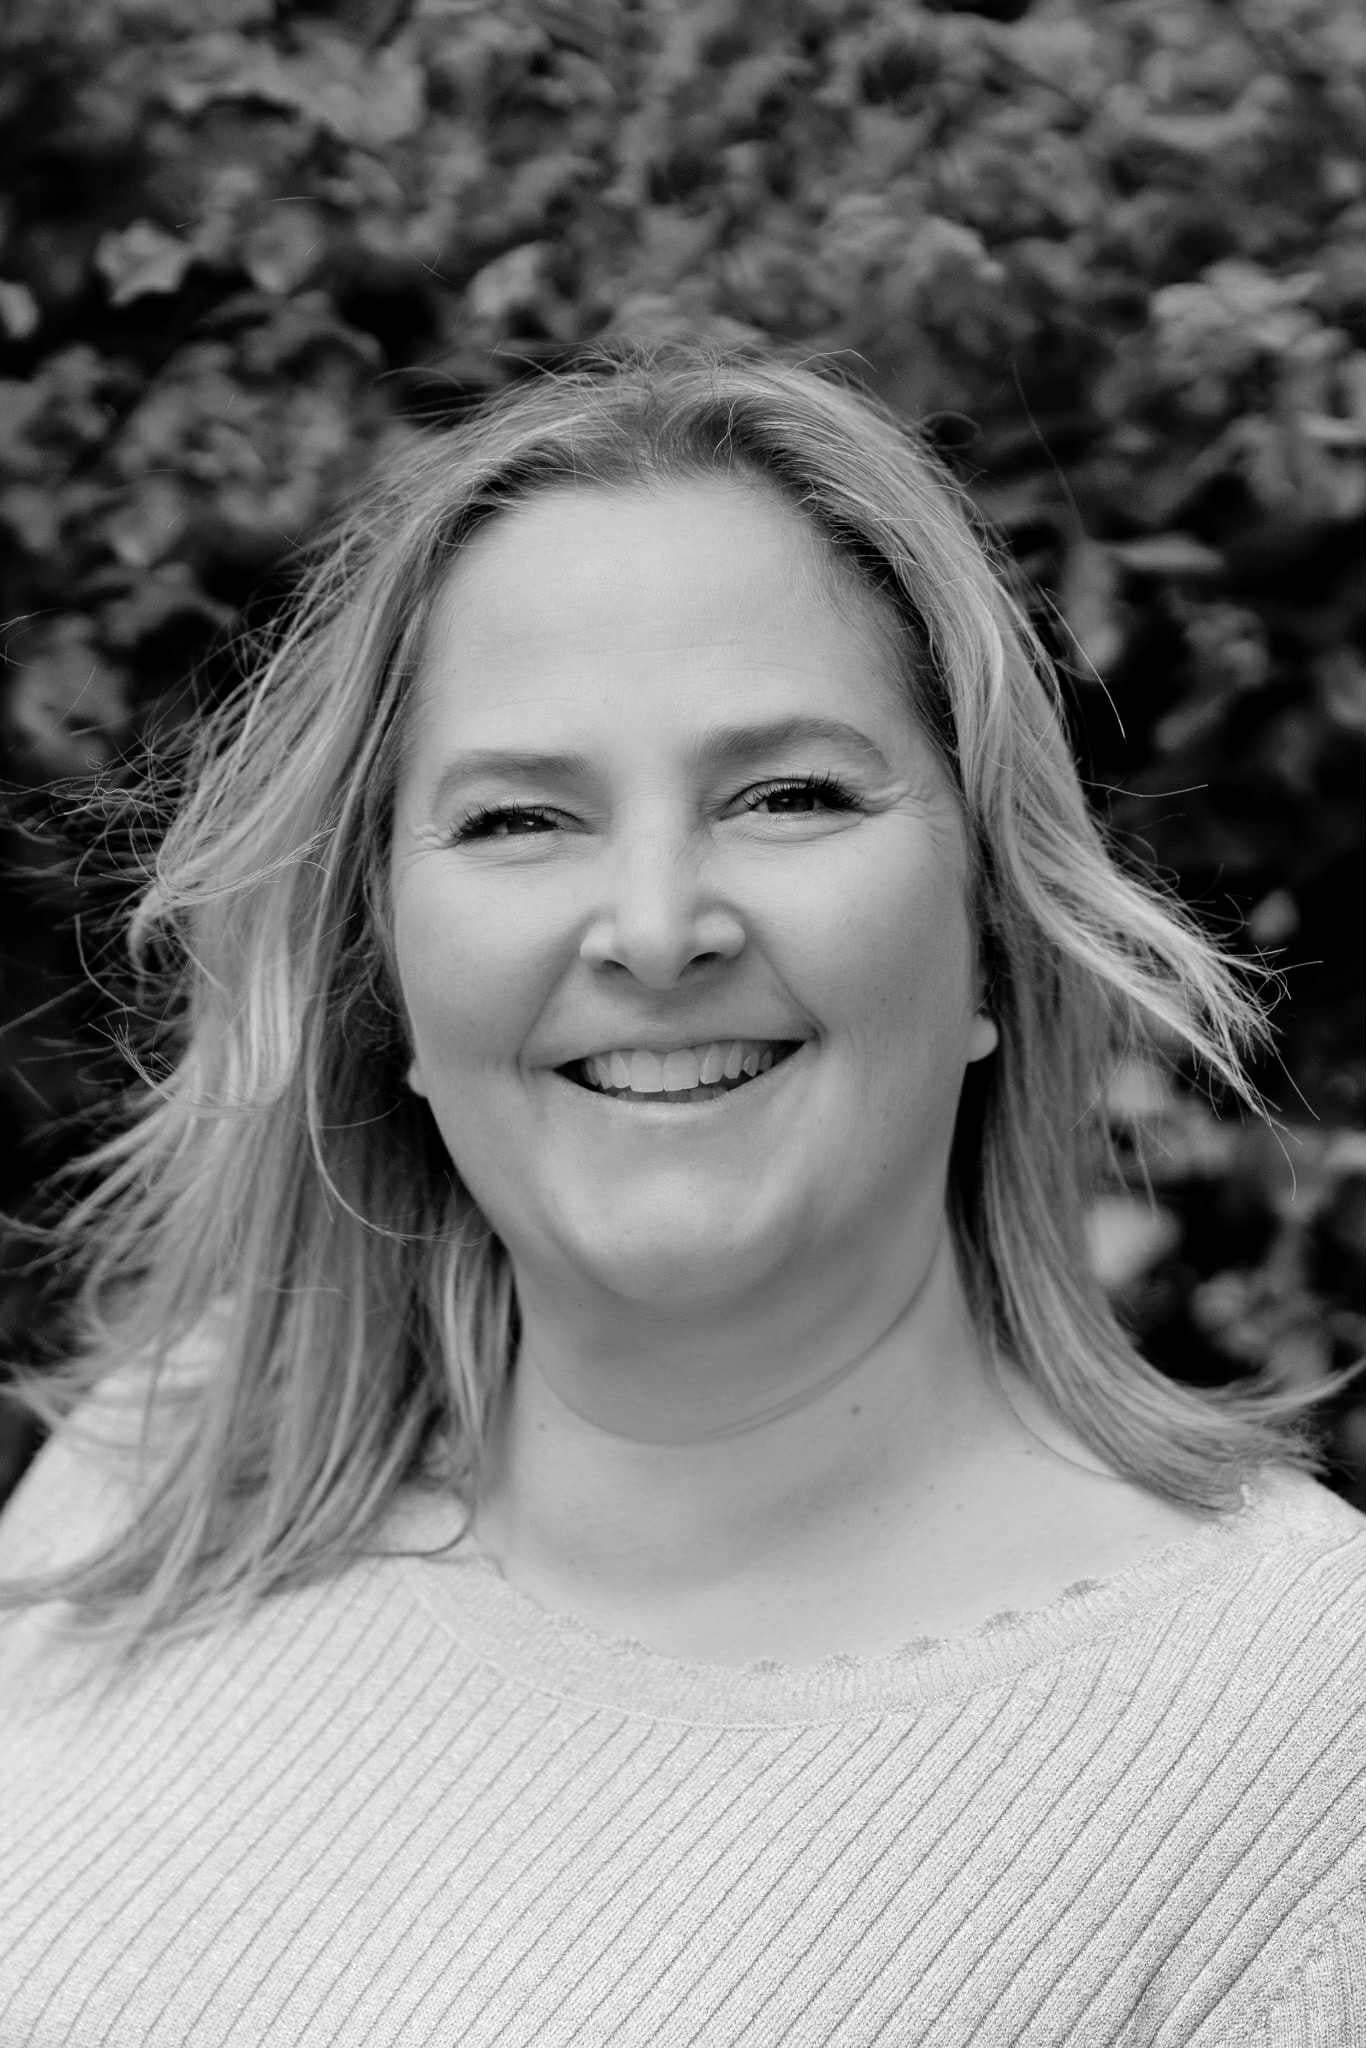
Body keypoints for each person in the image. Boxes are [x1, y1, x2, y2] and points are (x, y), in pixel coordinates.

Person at [0, 339, 1359, 2047]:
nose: (653, 931)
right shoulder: (160, 1474)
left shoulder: (1303, 1747)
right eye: (519, 818)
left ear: (991, 935)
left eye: (786, 796)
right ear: (386, 980)